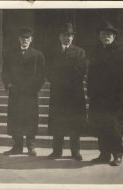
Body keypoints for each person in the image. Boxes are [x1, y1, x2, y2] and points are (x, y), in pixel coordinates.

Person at [87, 21, 123, 166]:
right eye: (104, 34)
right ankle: (104, 154)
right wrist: (90, 92)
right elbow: (90, 74)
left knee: (114, 128)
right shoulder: (95, 51)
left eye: (109, 34)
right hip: (98, 98)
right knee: (101, 127)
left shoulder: (120, 51)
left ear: (114, 37)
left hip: (114, 98)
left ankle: (117, 155)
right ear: (100, 36)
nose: (106, 37)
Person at [1, 27, 46, 156]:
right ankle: (17, 146)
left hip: (30, 93)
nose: (25, 40)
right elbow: (5, 71)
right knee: (16, 118)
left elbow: (42, 74)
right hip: (16, 92)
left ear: (31, 40)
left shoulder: (38, 55)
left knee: (30, 118)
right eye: (22, 38)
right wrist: (8, 84)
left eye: (27, 38)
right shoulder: (11, 54)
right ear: (19, 39)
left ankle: (31, 146)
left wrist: (35, 88)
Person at [47, 23, 87, 161]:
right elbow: (49, 71)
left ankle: (75, 152)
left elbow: (81, 70)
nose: (68, 38)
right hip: (58, 94)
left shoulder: (79, 52)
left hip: (74, 94)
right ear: (60, 37)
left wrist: (63, 77)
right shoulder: (53, 51)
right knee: (58, 123)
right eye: (65, 35)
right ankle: (56, 151)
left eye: (70, 35)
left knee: (74, 124)